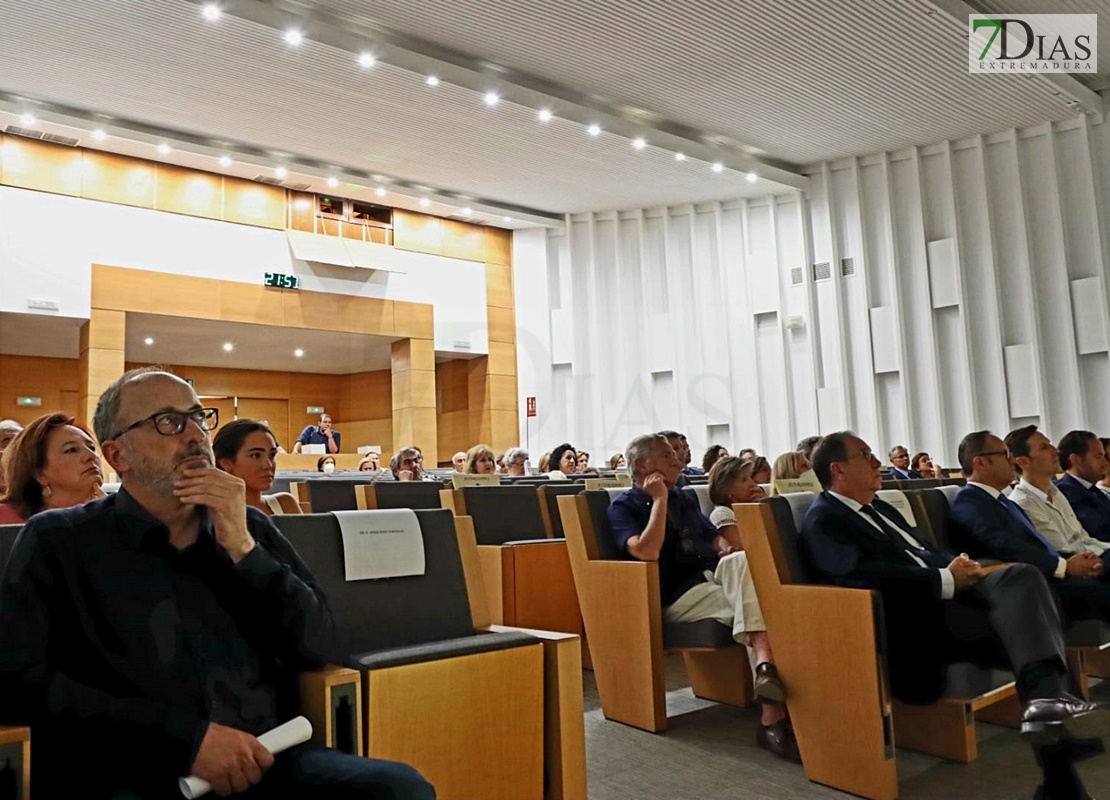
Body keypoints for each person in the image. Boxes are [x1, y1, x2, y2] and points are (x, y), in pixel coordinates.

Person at [0, 368, 435, 798]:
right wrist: (185, 741)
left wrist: (243, 549)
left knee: (398, 789)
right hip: (132, 767)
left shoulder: (249, 528)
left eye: (198, 417)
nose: (194, 435)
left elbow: (319, 644)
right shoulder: (59, 540)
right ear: (118, 456)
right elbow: (21, 683)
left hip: (266, 760)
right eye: (168, 422)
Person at [802, 431, 1110, 800]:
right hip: (919, 618)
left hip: (953, 599)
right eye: (866, 455)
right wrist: (944, 578)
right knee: (1032, 606)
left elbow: (923, 550)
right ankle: (1053, 739)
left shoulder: (880, 507)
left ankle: (1053, 751)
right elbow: (856, 574)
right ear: (837, 470)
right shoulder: (825, 518)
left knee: (1023, 579)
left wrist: (956, 565)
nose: (876, 463)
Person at [609, 435, 797, 761]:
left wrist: (726, 549)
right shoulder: (623, 507)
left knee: (742, 564)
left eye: (674, 454)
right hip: (675, 597)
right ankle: (774, 715)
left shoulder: (684, 497)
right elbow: (646, 550)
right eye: (665, 455)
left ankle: (768, 676)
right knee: (767, 607)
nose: (676, 460)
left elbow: (712, 539)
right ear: (642, 465)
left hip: (711, 581)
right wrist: (659, 501)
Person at [949, 429, 1110, 625]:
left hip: (1046, 574)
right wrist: (1065, 565)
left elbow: (1039, 546)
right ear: (980, 462)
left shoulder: (1004, 502)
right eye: (1005, 455)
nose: (1012, 461)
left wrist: (1070, 561)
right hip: (1026, 586)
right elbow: (1005, 545)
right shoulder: (969, 501)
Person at [1005, 427, 1110, 574]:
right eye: (1044, 447)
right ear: (1023, 462)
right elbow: (1063, 549)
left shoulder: (1056, 493)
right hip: (1073, 569)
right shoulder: (1022, 502)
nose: (1056, 451)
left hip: (1091, 558)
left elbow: (1083, 537)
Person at [0, 413, 104, 525]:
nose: (91, 455)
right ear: (38, 473)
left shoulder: (113, 514)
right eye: (71, 450)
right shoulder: (6, 519)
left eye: (92, 448)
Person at [213, 418, 302, 517]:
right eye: (255, 455)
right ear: (226, 463)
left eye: (272, 455)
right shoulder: (213, 515)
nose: (268, 465)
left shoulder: (286, 504)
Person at [1055, 430, 1110, 543]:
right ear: (1075, 459)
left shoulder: (1092, 490)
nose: (1105, 463)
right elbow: (1100, 529)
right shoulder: (1066, 491)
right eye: (1098, 456)